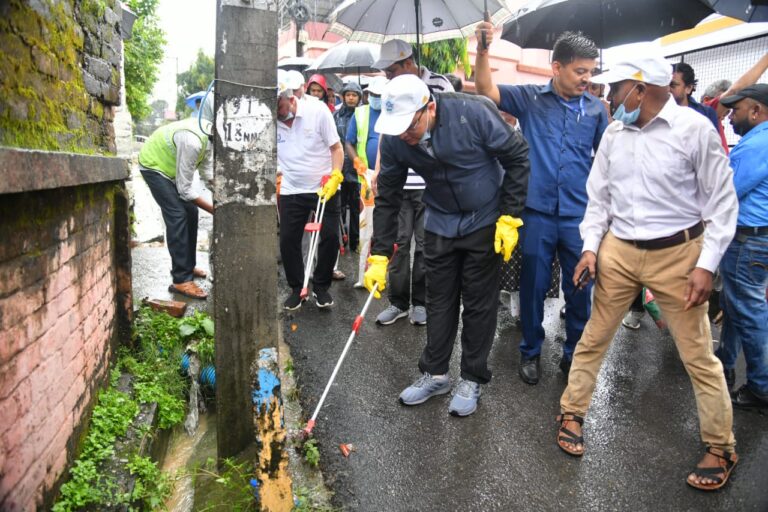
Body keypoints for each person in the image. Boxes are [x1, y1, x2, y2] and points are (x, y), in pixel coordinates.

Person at [556, 49, 739, 491]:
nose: (608, 97)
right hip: (618, 250)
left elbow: (722, 204)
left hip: (678, 255)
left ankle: (721, 445)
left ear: (640, 88)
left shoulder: (694, 130)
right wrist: (589, 249)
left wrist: (706, 266)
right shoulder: (616, 133)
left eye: (615, 89)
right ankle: (572, 412)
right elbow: (598, 198)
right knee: (594, 337)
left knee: (697, 353)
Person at [364, 74, 530, 417]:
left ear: (430, 107)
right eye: (398, 129)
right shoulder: (395, 139)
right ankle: (435, 373)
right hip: (439, 218)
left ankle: (472, 376)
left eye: (410, 125)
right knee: (439, 300)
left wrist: (510, 215)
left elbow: (518, 157)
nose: (405, 136)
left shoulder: (474, 112)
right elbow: (388, 197)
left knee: (478, 302)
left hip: (484, 218)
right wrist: (379, 254)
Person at [474, 27, 609, 383]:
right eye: (580, 71)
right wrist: (483, 51)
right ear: (556, 67)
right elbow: (487, 90)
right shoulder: (530, 99)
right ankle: (531, 350)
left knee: (580, 289)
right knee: (532, 286)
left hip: (578, 216)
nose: (586, 78)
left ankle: (573, 354)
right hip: (536, 214)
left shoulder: (597, 111)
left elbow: (605, 163)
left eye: (591, 72)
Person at [372, 39, 455, 326]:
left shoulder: (441, 85)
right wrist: (380, 170)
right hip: (399, 180)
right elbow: (389, 131)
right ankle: (398, 302)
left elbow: (448, 130)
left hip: (429, 185)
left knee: (425, 244)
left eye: (392, 71)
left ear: (408, 62)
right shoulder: (391, 92)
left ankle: (420, 300)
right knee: (398, 243)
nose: (389, 78)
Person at [715, 84, 768, 407]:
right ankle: (724, 361)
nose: (731, 116)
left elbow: (726, 192)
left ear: (756, 111)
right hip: (755, 239)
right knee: (735, 306)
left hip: (748, 239)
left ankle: (761, 386)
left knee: (748, 311)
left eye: (737, 110)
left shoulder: (755, 145)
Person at [277, 72, 345, 310]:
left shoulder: (318, 111)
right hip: (290, 188)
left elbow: (336, 148)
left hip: (323, 187)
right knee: (288, 240)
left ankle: (322, 287)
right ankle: (297, 288)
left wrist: (336, 176)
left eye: (280, 105)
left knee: (329, 237)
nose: (277, 112)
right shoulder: (270, 119)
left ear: (291, 98)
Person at [138, 96, 214, 300]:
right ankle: (181, 280)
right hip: (153, 166)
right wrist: (215, 210)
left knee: (191, 211)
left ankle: (187, 266)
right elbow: (185, 190)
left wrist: (221, 195)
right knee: (178, 214)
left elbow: (207, 172)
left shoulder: (209, 136)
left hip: (168, 171)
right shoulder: (193, 140)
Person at [345, 76, 387, 286]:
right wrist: (357, 161)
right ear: (368, 95)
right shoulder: (360, 114)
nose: (376, 99)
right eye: (373, 95)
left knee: (386, 226)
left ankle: (383, 275)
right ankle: (363, 276)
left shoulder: (392, 112)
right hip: (366, 178)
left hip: (389, 176)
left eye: (380, 96)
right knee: (366, 225)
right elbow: (348, 143)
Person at [334, 81, 363, 256]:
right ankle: (340, 239)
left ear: (359, 98)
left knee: (356, 207)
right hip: (340, 167)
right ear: (343, 97)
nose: (351, 98)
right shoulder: (336, 116)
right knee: (339, 206)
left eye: (354, 95)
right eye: (348, 95)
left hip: (357, 167)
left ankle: (356, 240)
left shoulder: (362, 115)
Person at [670, 62, 720, 132]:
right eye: (665, 84)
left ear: (688, 88)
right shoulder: (655, 112)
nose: (667, 89)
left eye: (672, 85)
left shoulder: (706, 113)